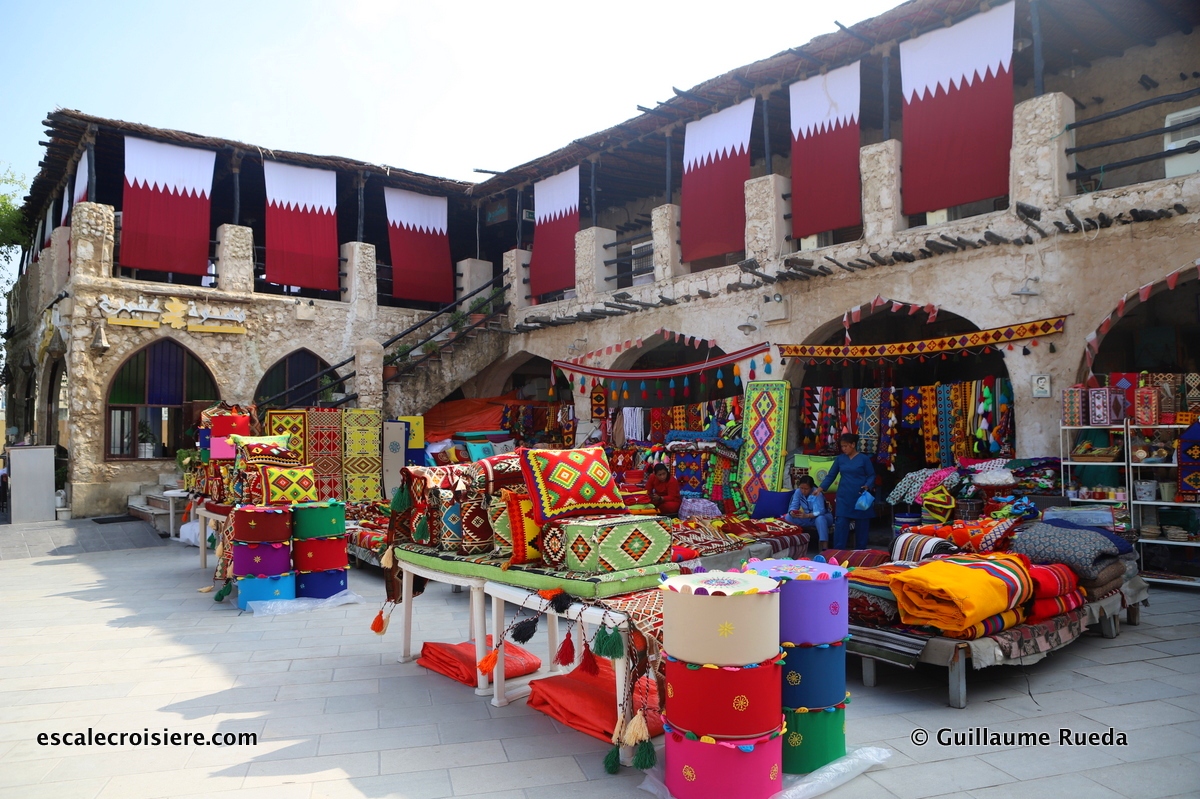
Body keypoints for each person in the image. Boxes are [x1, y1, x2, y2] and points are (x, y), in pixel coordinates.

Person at [818, 433, 876, 549]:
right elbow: (831, 475)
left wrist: (867, 485)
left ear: (853, 444)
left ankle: (860, 553)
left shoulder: (864, 459)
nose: (844, 449)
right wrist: (821, 488)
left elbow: (872, 475)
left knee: (862, 526)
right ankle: (838, 552)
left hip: (860, 496)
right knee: (841, 524)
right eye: (842, 446)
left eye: (846, 446)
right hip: (844, 496)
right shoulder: (840, 459)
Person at [785, 475, 831, 551]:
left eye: (806, 489)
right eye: (801, 488)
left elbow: (820, 511)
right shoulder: (798, 492)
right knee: (788, 517)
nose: (803, 491)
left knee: (820, 519)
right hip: (808, 519)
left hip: (822, 518)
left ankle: (824, 546)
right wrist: (792, 512)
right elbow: (793, 505)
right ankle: (792, 543)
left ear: (811, 487)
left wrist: (807, 515)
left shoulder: (816, 492)